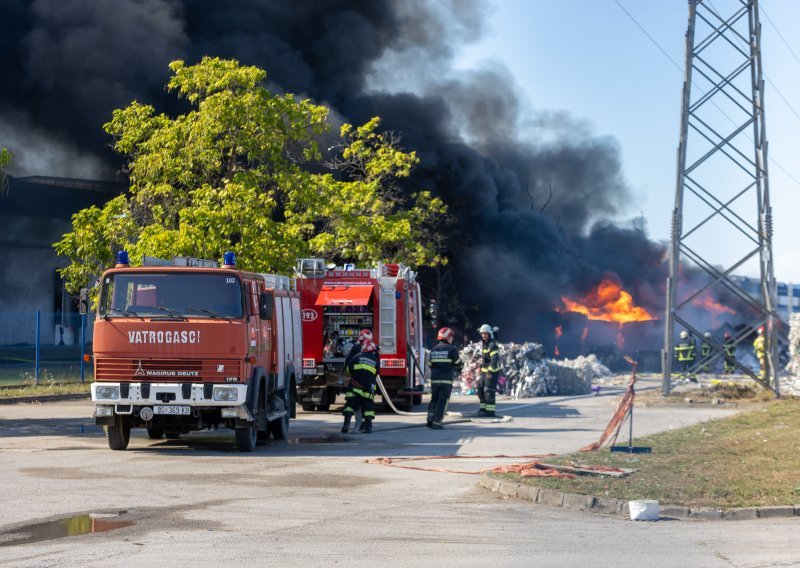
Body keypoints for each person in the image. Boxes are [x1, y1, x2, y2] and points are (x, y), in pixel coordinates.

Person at [341, 334, 379, 434]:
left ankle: (346, 425)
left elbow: (348, 369)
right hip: (369, 388)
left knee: (350, 405)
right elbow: (376, 373)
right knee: (368, 407)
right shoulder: (376, 360)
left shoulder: (357, 357)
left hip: (355, 386)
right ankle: (368, 427)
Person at [426, 327, 462, 429]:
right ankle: (437, 422)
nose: (452, 339)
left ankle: (430, 419)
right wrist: (459, 367)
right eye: (451, 337)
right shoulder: (452, 349)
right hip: (446, 380)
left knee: (434, 399)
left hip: (435, 380)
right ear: (447, 337)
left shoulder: (434, 349)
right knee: (442, 401)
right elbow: (458, 363)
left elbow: (430, 364)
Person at [477, 323, 500, 417]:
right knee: (480, 389)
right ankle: (483, 408)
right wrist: (480, 366)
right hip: (484, 371)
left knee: (488, 390)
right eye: (482, 334)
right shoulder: (484, 344)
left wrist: (490, 370)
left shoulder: (492, 344)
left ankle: (490, 411)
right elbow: (485, 358)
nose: (483, 335)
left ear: (489, 334)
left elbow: (494, 358)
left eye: (485, 334)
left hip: (492, 371)